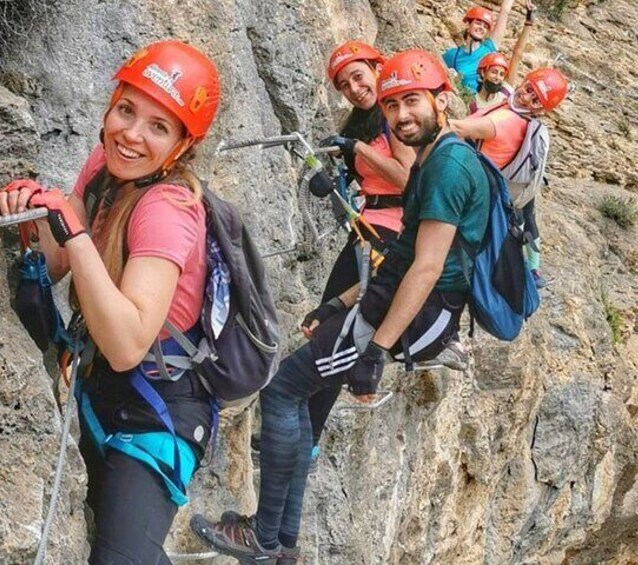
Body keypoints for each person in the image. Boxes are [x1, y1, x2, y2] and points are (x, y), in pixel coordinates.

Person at [191, 49, 490, 565]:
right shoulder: (433, 159)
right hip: (397, 302)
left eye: (412, 101)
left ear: (442, 100)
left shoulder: (448, 167)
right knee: (299, 389)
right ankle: (279, 542)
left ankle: (265, 539)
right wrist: (337, 305)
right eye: (393, 105)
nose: (400, 115)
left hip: (415, 314)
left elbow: (425, 268)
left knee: (283, 391)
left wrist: (375, 347)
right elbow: (399, 257)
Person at [0, 40, 221, 564]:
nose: (132, 135)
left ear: (182, 146)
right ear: (110, 104)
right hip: (102, 389)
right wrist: (30, 217)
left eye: (159, 127)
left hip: (157, 412)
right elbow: (55, 264)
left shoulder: (168, 210)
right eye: (126, 110)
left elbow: (127, 343)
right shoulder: (104, 165)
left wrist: (71, 232)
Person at [302, 40, 418, 471]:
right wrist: (331, 178)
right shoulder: (362, 121)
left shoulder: (394, 116)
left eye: (358, 75)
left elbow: (409, 180)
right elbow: (360, 180)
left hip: (390, 235)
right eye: (344, 83)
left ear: (377, 67)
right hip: (367, 231)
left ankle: (306, 436)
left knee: (335, 329)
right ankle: (306, 432)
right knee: (328, 325)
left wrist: (359, 150)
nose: (353, 87)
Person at [450, 66, 569, 287]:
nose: (526, 98)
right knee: (525, 218)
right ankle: (530, 269)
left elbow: (456, 128)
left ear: (541, 110)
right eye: (529, 89)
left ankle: (532, 269)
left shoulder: (508, 119)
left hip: (470, 187)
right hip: (495, 187)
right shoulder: (510, 106)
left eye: (535, 100)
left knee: (526, 218)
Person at [468, 1, 537, 114]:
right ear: (483, 73)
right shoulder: (473, 104)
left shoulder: (505, 92)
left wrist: (528, 23)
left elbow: (517, 55)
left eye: (501, 74)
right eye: (494, 72)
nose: (498, 77)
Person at [442, 0, 516, 95]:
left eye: (485, 26)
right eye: (478, 23)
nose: (481, 27)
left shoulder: (489, 49)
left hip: (483, 102)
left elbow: (504, 12)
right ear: (468, 25)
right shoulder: (453, 55)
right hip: (463, 100)